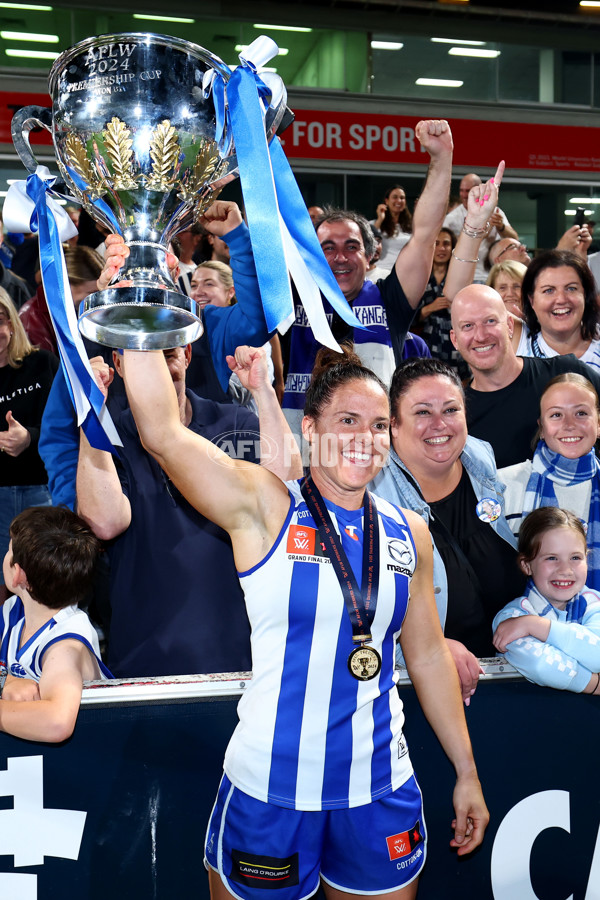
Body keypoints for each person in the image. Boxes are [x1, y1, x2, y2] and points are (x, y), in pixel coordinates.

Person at [122, 344, 488, 898]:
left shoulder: (409, 532)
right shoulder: (267, 507)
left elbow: (429, 654)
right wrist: (142, 310)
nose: (365, 437)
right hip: (271, 790)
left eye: (379, 425)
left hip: (378, 789)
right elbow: (162, 433)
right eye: (347, 420)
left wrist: (466, 770)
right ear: (310, 429)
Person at [76, 345, 301, 678]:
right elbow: (105, 522)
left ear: (187, 355)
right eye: (144, 356)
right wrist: (89, 411)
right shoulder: (110, 438)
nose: (160, 370)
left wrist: (264, 391)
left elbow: (287, 495)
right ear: (120, 365)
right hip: (143, 662)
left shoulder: (234, 421)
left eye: (168, 354)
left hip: (238, 658)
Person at [39, 199, 272, 510]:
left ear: (176, 269)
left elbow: (259, 320)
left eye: (159, 260)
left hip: (209, 518)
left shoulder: (207, 326)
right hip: (126, 523)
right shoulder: (90, 342)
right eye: (130, 263)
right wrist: (78, 510)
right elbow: (59, 433)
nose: (145, 276)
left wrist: (237, 237)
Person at [283, 119, 454, 434]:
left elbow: (425, 235)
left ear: (371, 256)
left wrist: (441, 159)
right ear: (313, 258)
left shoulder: (390, 301)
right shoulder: (291, 299)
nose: (340, 257)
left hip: (379, 457)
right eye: (328, 248)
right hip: (302, 457)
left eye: (351, 246)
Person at [372, 358, 522, 706]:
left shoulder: (480, 457)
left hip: (510, 675)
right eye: (422, 412)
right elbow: (358, 618)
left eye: (451, 409)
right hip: (424, 693)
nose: (439, 424)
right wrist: (429, 650)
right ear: (393, 425)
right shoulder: (372, 500)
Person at [449, 284, 600, 468]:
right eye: (468, 326)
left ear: (510, 326)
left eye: (490, 321)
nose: (480, 335)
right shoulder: (457, 417)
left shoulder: (566, 372)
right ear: (455, 339)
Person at [0, 506, 111, 742]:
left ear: (18, 574)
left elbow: (57, 722)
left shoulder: (66, 644)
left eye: (8, 551)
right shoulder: (15, 611)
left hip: (87, 761)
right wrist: (6, 681)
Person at [499, 374, 600, 588]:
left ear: (598, 424)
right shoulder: (503, 486)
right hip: (520, 616)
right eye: (556, 415)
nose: (569, 425)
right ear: (542, 428)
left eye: (581, 413)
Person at [492, 507, 600, 694]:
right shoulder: (512, 617)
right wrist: (595, 685)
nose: (565, 569)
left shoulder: (592, 602)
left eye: (575, 557)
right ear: (527, 565)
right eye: (552, 558)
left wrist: (537, 626)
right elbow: (540, 665)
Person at [0, 292, 58, 603]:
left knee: (45, 580)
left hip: (43, 488)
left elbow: (65, 424)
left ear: (10, 321)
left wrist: (29, 438)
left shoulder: (42, 363)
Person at [513, 250, 600, 373]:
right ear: (531, 300)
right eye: (549, 290)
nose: (561, 299)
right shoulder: (518, 342)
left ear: (585, 295)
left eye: (571, 288)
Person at [19, 245, 103, 355]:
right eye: (92, 293)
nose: (99, 301)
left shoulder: (78, 310)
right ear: (65, 286)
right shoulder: (31, 322)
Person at [443, 172, 518, 282]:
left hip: (492, 274)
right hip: (466, 276)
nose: (463, 195)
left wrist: (501, 226)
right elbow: (446, 247)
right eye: (461, 190)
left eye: (467, 191)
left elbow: (514, 239)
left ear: (478, 190)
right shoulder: (452, 218)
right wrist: (482, 231)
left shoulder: (495, 211)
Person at [418, 228, 468, 377]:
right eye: (437, 243)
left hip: (456, 340)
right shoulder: (420, 277)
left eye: (446, 244)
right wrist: (429, 308)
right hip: (428, 339)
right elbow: (409, 317)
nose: (441, 248)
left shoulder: (460, 277)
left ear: (453, 248)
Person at [370, 184, 412, 272]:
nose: (399, 201)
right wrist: (380, 219)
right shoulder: (374, 224)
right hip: (380, 273)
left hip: (403, 274)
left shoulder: (411, 226)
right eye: (395, 197)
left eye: (402, 198)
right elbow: (367, 241)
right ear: (386, 201)